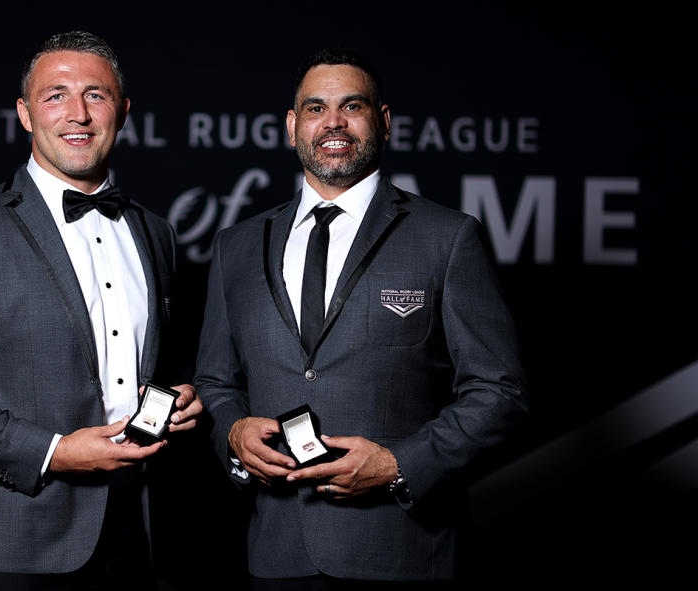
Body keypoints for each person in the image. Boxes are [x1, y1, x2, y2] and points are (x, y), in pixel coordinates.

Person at [195, 47, 528, 586]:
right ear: (291, 125)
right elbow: (214, 379)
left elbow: (500, 391)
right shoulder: (237, 246)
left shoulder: (446, 237)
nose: (333, 123)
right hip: (276, 554)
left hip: (401, 554)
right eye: (315, 108)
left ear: (384, 121)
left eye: (352, 107)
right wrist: (232, 432)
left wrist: (400, 465)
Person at [0, 31, 200, 590]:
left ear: (123, 111)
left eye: (96, 95)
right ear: (24, 113)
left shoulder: (154, 232)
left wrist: (179, 395)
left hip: (138, 533)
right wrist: (54, 452)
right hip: (11, 541)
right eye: (55, 95)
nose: (78, 114)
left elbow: (160, 363)